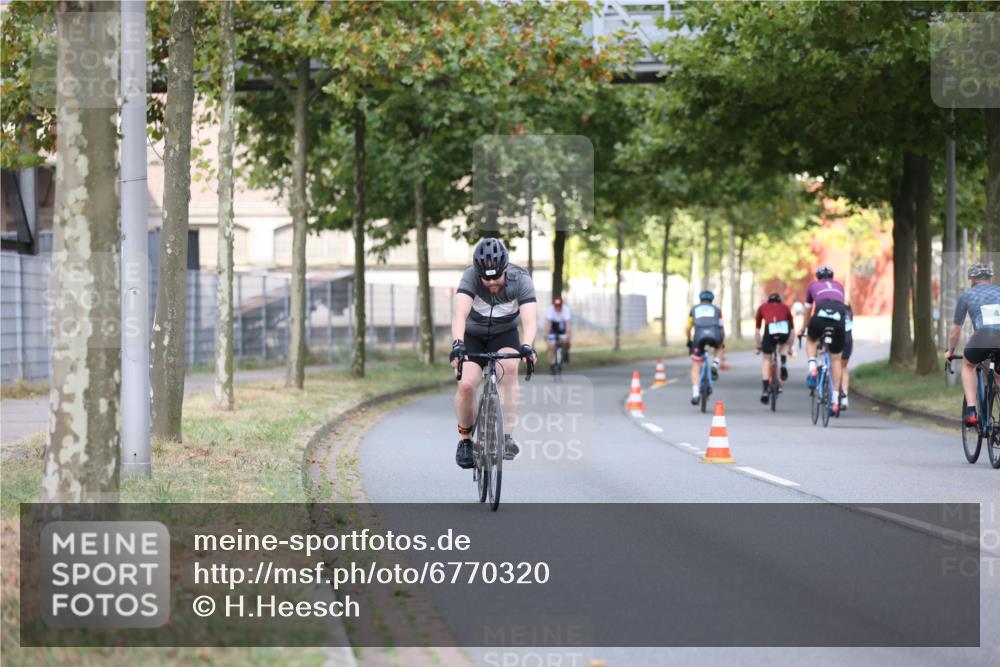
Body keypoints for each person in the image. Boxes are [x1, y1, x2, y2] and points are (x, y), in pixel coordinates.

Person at [449, 238, 538, 469]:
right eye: (485, 278)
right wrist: (457, 344)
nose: (491, 282)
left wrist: (527, 345)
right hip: (473, 337)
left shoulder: (521, 279)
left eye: (496, 277)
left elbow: (530, 320)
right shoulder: (470, 277)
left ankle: (506, 437)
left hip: (504, 335)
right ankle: (466, 441)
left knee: (509, 369)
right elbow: (459, 313)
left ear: (505, 269)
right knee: (466, 385)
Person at [945, 262, 1000, 426]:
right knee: (999, 374)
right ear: (990, 279)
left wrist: (950, 351)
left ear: (971, 279)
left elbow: (955, 330)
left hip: (983, 337)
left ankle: (971, 411)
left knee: (968, 365)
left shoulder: (967, 296)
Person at [798, 265, 848, 416]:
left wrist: (803, 328)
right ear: (832, 277)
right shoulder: (840, 286)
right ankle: (834, 400)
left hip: (820, 316)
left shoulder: (812, 286)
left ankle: (813, 368)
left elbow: (807, 311)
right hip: (838, 319)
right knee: (836, 359)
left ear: (817, 277)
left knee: (811, 340)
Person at [754, 292, 795, 404]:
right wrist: (790, 347)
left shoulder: (762, 307)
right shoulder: (785, 308)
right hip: (783, 330)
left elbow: (757, 330)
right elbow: (792, 331)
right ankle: (783, 363)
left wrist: (758, 346)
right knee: (784, 344)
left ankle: (765, 390)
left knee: (767, 359)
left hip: (770, 330)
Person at [686, 290, 726, 405]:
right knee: (719, 348)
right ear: (712, 300)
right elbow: (721, 328)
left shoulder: (693, 309)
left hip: (699, 337)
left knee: (696, 364)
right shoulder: (717, 310)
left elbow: (688, 328)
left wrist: (689, 341)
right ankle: (715, 364)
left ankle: (695, 394)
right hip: (714, 335)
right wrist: (721, 342)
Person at [546, 297, 572, 371]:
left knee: (567, 342)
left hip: (562, 327)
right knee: (551, 345)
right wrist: (547, 334)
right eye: (556, 306)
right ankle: (552, 363)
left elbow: (567, 324)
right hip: (553, 328)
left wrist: (567, 335)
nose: (557, 308)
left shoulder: (565, 309)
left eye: (559, 306)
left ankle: (565, 354)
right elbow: (549, 324)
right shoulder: (550, 309)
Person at [839, 304, 854, 410]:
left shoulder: (832, 309)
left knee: (833, 363)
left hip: (836, 339)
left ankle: (834, 395)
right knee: (843, 368)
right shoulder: (849, 311)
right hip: (848, 340)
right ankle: (844, 398)